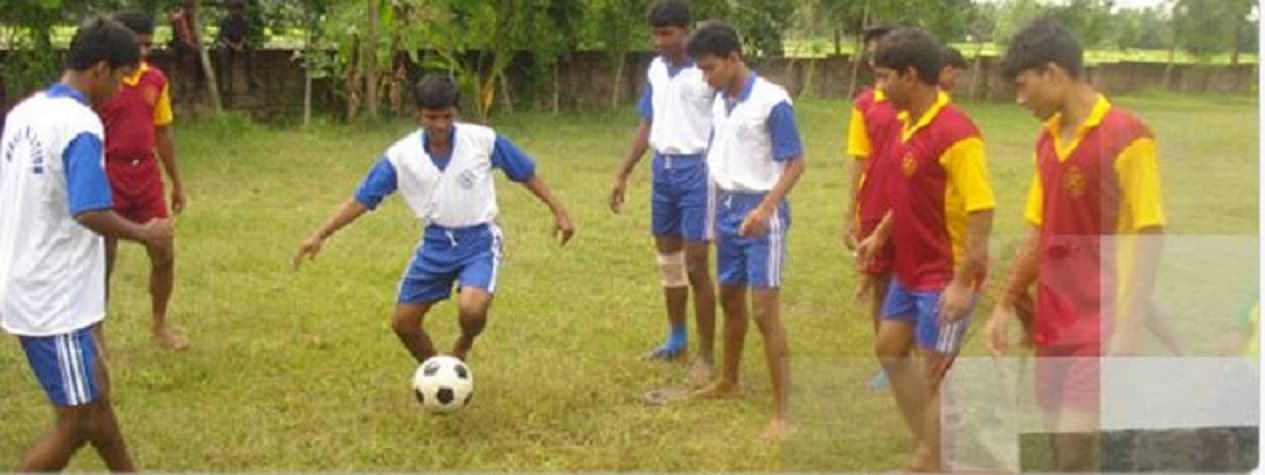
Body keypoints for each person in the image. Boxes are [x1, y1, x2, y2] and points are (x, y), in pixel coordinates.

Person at [985, 18, 1167, 472]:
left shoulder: (1129, 134)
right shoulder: (1045, 142)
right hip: (1053, 317)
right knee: (1059, 443)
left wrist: (1130, 326)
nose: (1019, 99)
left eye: (1024, 86)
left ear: (1053, 73)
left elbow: (1148, 233)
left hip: (1101, 322)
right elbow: (1036, 230)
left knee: (1071, 450)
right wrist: (1005, 304)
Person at [292, 74, 575, 364]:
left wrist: (559, 210)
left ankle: (464, 342)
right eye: (431, 117)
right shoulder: (401, 157)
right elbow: (361, 200)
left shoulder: (482, 140)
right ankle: (439, 370)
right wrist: (319, 235)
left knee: (472, 309)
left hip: (479, 239)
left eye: (446, 116)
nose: (440, 125)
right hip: (436, 243)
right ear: (418, 116)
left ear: (456, 113)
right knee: (404, 324)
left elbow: (524, 172)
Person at [0, 17, 173, 472]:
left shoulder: (25, 112)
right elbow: (89, 209)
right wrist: (145, 233)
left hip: (29, 282)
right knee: (78, 421)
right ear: (101, 69)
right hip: (53, 298)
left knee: (96, 396)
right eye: (119, 78)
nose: (120, 90)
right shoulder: (80, 124)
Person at [857, 28, 995, 471]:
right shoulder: (905, 125)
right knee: (890, 348)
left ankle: (930, 459)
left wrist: (961, 282)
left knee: (937, 376)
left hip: (945, 273)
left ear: (910, 76)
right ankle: (932, 445)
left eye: (884, 77)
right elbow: (908, 193)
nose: (879, 88)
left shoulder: (957, 133)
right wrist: (881, 232)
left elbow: (981, 211)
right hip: (910, 269)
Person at [686, 21, 805, 441]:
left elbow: (795, 163)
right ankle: (729, 381)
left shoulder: (772, 102)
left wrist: (764, 209)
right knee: (730, 300)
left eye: (710, 67)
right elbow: (719, 163)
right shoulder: (721, 100)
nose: (706, 76)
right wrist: (717, 220)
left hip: (762, 215)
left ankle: (782, 414)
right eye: (701, 69)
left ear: (734, 58)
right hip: (728, 212)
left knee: (763, 311)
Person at [608, 0, 717, 384]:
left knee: (697, 264)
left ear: (686, 31)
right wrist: (623, 173)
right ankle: (677, 338)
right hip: (663, 170)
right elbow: (647, 123)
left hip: (698, 171)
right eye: (655, 33)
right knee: (668, 259)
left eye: (667, 33)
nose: (659, 41)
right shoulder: (656, 69)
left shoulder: (707, 71)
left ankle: (706, 354)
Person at [100, 10, 189, 351]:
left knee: (163, 248)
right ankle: (97, 330)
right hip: (109, 173)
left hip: (146, 175)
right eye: (136, 45)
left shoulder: (156, 81)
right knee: (103, 255)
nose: (143, 53)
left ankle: (159, 323)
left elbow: (163, 133)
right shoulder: (103, 81)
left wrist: (177, 182)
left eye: (148, 46)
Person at [844, 25, 899, 392]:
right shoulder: (864, 105)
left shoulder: (923, 101)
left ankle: (918, 358)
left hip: (915, 206)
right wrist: (850, 211)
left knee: (914, 284)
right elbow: (859, 159)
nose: (875, 56)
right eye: (872, 52)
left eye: (882, 50)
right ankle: (890, 363)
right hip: (875, 205)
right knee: (881, 284)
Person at [216, 0, 260, 94]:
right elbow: (224, 37)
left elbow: (245, 35)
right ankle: (226, 83)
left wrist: (240, 44)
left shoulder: (244, 21)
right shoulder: (225, 21)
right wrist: (234, 46)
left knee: (250, 50)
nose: (238, 12)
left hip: (239, 43)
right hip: (228, 44)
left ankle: (252, 77)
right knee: (223, 52)